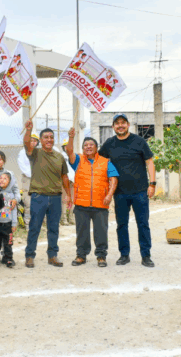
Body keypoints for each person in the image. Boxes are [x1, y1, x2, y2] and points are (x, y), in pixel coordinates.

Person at [99, 113, 156, 268]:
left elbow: (149, 162)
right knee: (121, 225)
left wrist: (152, 184)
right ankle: (124, 255)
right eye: (117, 123)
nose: (120, 126)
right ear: (113, 127)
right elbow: (99, 162)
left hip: (140, 191)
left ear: (128, 125)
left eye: (123, 123)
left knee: (143, 224)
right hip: (120, 193)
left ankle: (146, 256)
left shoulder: (139, 141)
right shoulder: (109, 144)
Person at [65, 129, 118, 268]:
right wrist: (71, 137)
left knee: (101, 232)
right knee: (81, 232)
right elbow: (69, 151)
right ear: (82, 149)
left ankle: (101, 256)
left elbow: (113, 179)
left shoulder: (106, 162)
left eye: (91, 145)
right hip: (81, 204)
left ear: (96, 148)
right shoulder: (78, 160)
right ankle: (81, 255)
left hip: (101, 204)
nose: (88, 147)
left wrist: (109, 195)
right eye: (85, 145)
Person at [22, 120, 71, 268]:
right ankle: (29, 256)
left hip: (56, 197)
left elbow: (64, 177)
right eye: (46, 137)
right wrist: (28, 130)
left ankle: (53, 256)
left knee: (54, 228)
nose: (49, 140)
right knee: (35, 227)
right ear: (41, 140)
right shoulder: (35, 153)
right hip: (39, 196)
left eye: (51, 137)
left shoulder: (59, 157)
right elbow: (26, 144)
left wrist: (68, 194)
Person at [0, 172, 18, 268]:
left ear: (10, 182)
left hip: (7, 224)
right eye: (0, 178)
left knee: (8, 243)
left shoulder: (11, 196)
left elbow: (14, 211)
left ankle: (9, 259)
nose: (2, 180)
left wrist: (14, 223)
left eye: (5, 178)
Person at [17, 133, 38, 225]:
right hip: (28, 178)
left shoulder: (39, 152)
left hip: (39, 178)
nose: (33, 143)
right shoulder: (22, 152)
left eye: (35, 141)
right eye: (31, 140)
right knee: (28, 201)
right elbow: (22, 166)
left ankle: (39, 222)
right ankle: (27, 222)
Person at [60, 139, 76, 226]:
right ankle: (64, 219)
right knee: (64, 200)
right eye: (66, 146)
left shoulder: (73, 157)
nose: (68, 148)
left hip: (72, 181)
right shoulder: (62, 156)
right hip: (64, 181)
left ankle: (71, 217)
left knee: (72, 200)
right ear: (63, 147)